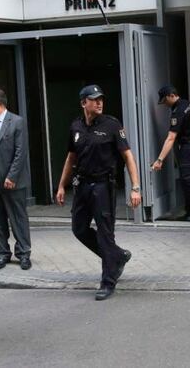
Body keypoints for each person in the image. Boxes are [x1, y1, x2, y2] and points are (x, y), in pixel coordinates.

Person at [55, 85, 142, 300]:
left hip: (104, 186)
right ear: (84, 103)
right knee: (79, 229)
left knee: (105, 234)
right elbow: (70, 158)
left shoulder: (112, 125)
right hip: (82, 186)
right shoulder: (76, 126)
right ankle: (118, 256)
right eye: (94, 99)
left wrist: (135, 187)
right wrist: (61, 186)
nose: (99, 102)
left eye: (101, 98)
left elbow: (128, 157)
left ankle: (108, 281)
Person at [0, 87, 32, 270]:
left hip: (13, 180)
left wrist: (12, 176)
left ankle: (24, 253)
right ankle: (3, 253)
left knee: (18, 217)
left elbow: (20, 152)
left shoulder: (17, 122)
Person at [151, 85, 190, 221]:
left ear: (171, 95)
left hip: (189, 146)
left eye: (165, 101)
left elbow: (171, 137)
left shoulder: (178, 111)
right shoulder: (188, 104)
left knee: (188, 179)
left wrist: (160, 160)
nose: (165, 104)